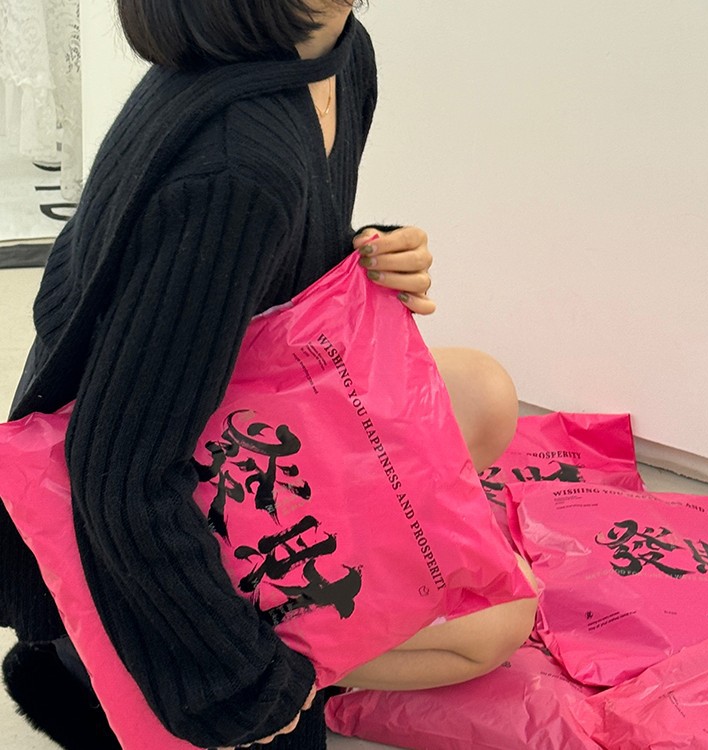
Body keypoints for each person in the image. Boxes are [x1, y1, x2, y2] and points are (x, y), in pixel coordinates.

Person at [0, 1, 536, 748]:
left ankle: (310, 639)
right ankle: (212, 672)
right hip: (134, 544)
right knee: (501, 617)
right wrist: (245, 685)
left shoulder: (338, 57)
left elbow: (252, 282)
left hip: (226, 429)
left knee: (484, 393)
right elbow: (117, 471)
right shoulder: (238, 166)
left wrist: (366, 252)